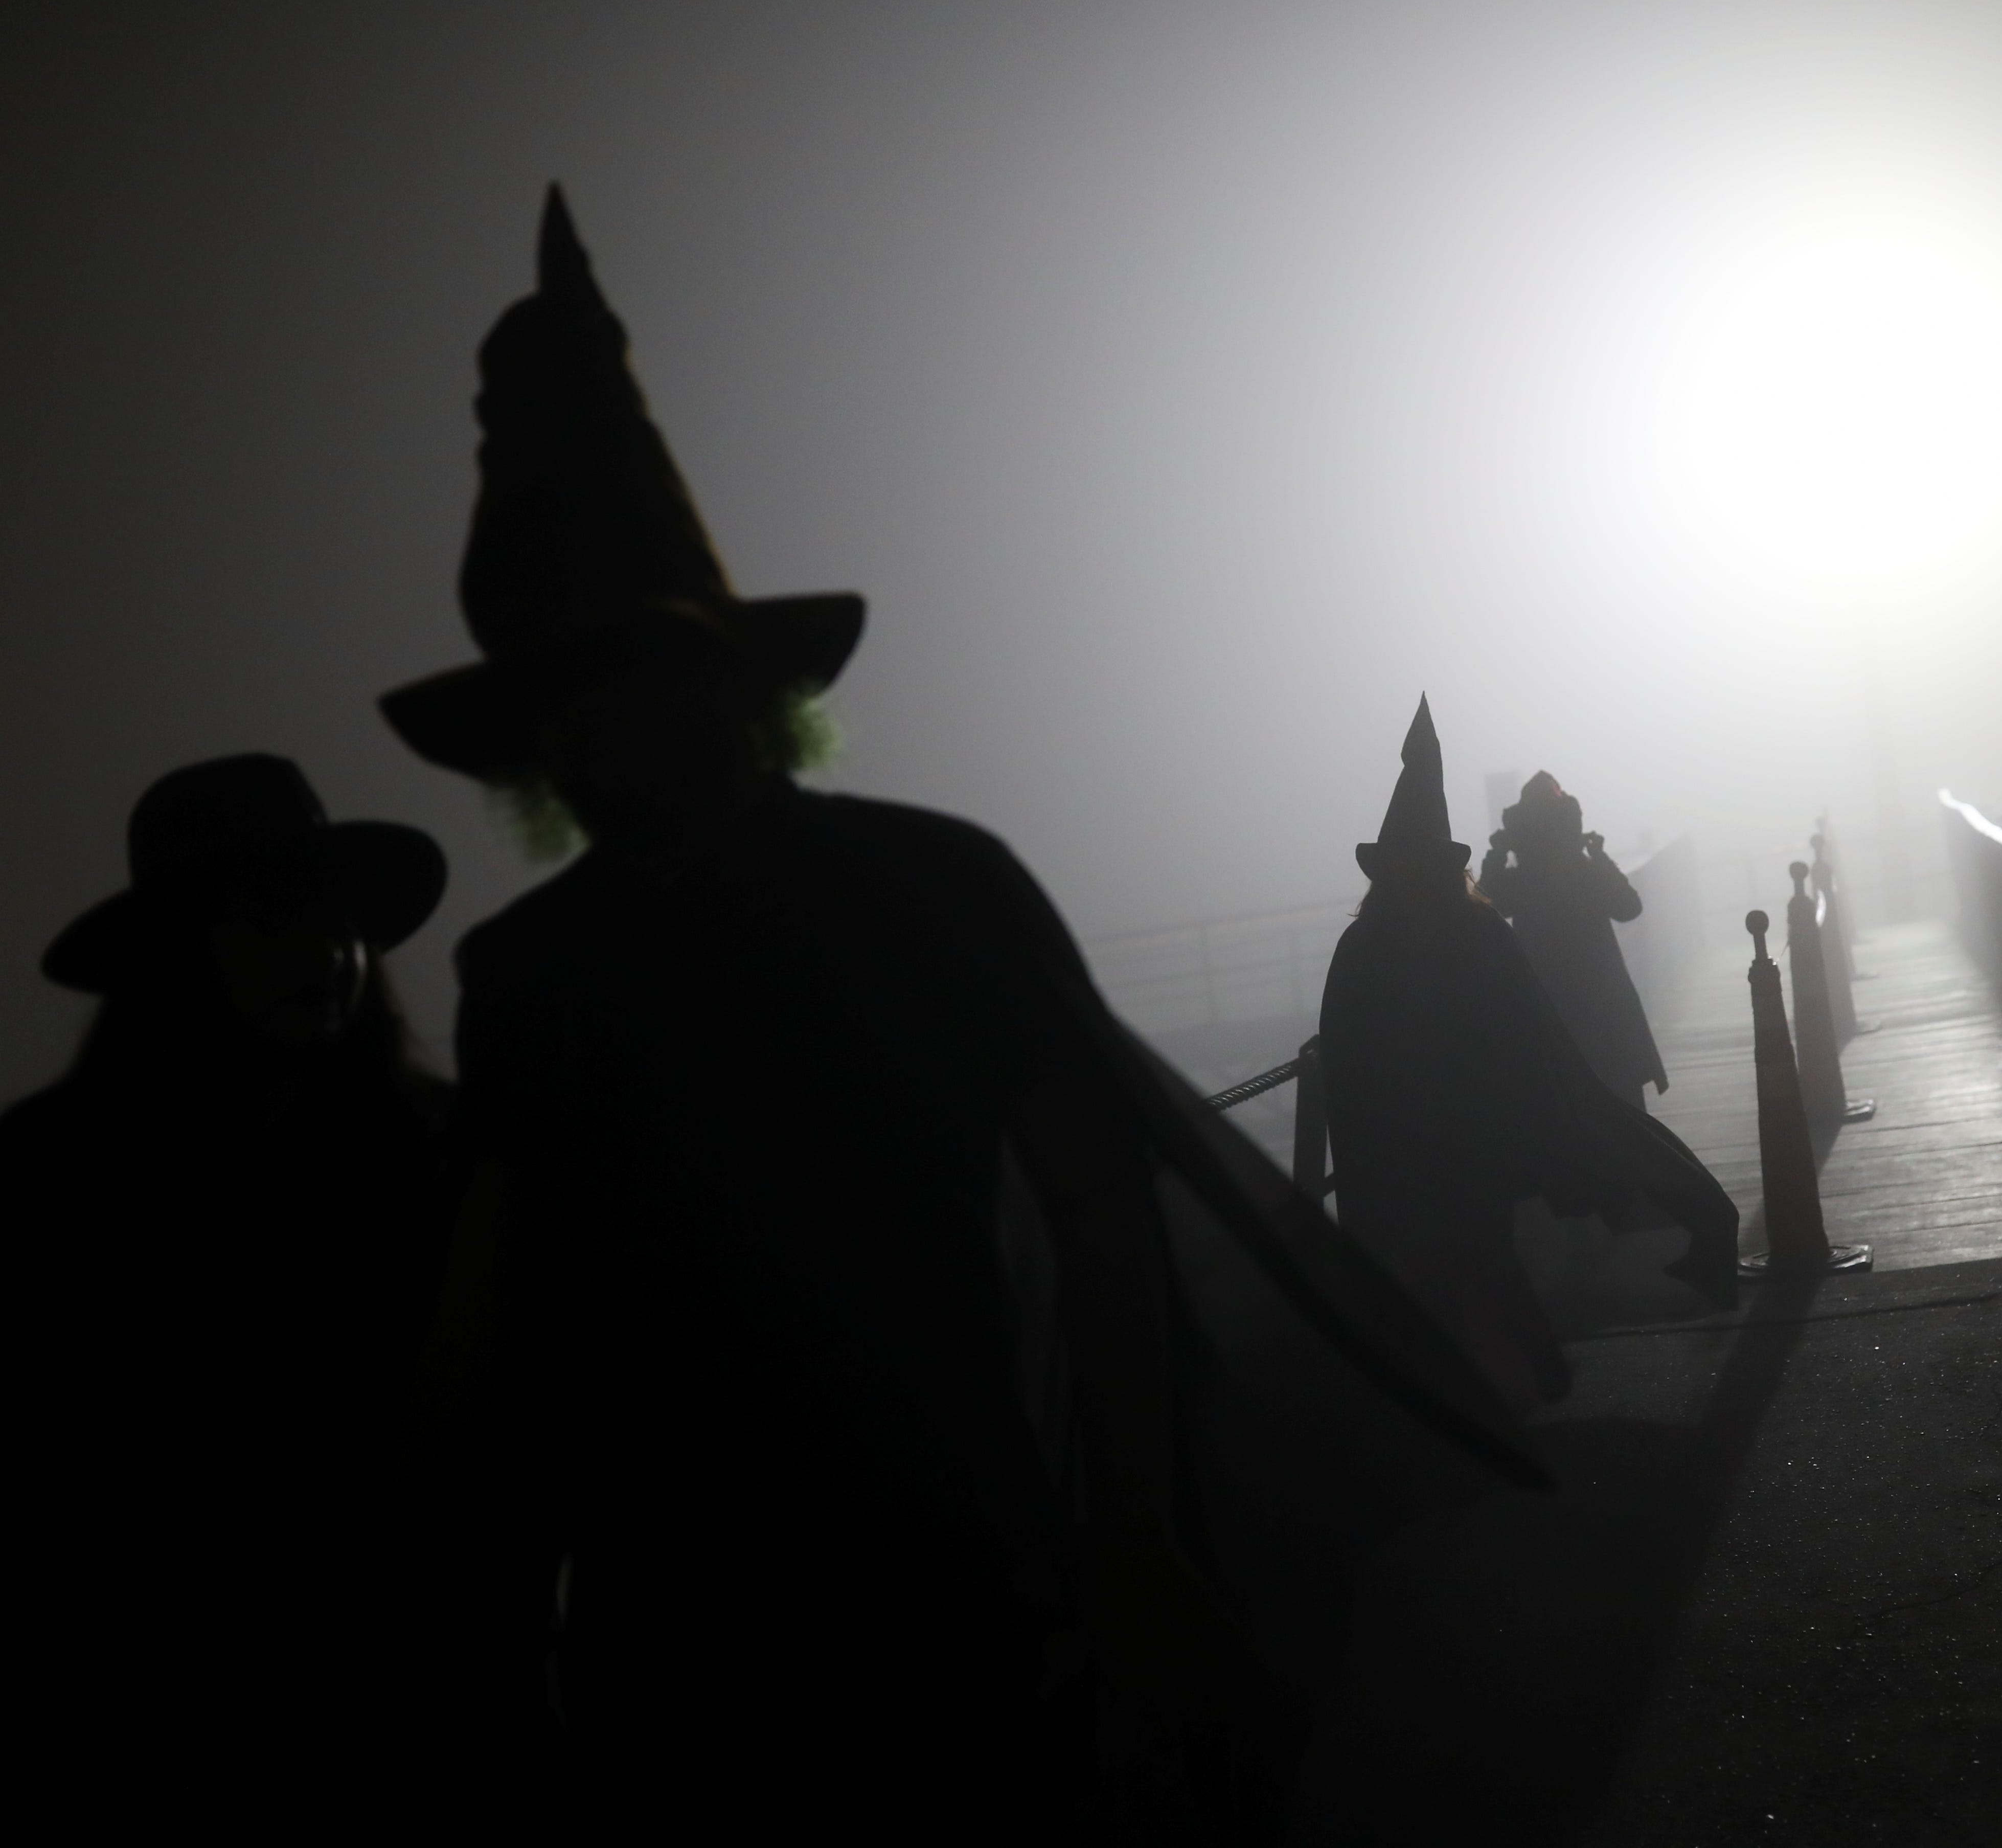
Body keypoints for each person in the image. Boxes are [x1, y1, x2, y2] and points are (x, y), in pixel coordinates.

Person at [379, 189, 1532, 1833]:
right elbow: (501, 1310)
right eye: (571, 703)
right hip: (670, 1623)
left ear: (737, 688)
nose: (609, 735)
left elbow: (1103, 1216)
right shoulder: (534, 970)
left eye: (642, 684)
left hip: (961, 1559)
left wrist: (1136, 1540)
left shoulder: (931, 889)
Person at [4, 753, 456, 1812]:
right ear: (177, 957)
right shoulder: (51, 1171)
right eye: (264, 920)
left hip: (403, 1703)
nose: (325, 954)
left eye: (338, 922)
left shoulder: (450, 1152)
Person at [1319, 700, 1737, 1414]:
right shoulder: (1473, 928)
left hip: (1409, 1137)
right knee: (1485, 1242)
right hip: (1479, 1123)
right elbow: (1526, 1026)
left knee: (1458, 1255)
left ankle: (1503, 1381)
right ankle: (1535, 1369)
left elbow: (1347, 1059)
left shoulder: (1366, 946)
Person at [1478, 771, 1668, 1108]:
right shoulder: (1585, 873)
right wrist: (1601, 857)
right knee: (1623, 1104)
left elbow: (1483, 906)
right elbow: (1629, 907)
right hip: (1604, 1006)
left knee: (1561, 1105)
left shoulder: (1523, 881)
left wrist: (1497, 854)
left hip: (1547, 1009)